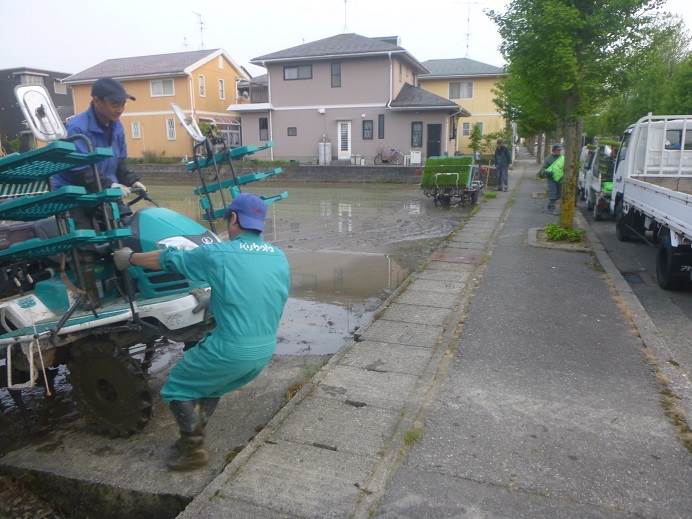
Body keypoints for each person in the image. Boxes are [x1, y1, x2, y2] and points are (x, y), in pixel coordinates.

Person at [113, 193, 290, 471]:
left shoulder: (218, 252)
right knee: (211, 384)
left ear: (233, 219)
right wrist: (214, 300)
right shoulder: (278, 257)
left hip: (232, 349)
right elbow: (260, 296)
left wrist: (131, 257)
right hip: (264, 350)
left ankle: (193, 447)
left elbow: (168, 259)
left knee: (176, 388)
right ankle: (194, 434)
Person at [52, 77, 146, 196]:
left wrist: (132, 181)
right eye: (115, 104)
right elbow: (80, 171)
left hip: (103, 190)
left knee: (125, 214)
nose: (120, 110)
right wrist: (109, 185)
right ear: (97, 101)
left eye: (123, 104)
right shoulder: (77, 128)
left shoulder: (117, 127)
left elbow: (119, 163)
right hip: (74, 195)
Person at [540, 144, 564, 214]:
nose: (559, 151)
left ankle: (551, 205)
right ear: (554, 150)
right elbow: (543, 168)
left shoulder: (562, 158)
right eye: (558, 150)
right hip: (551, 178)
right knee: (553, 192)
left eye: (560, 150)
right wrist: (546, 172)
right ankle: (551, 208)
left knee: (559, 194)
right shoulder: (549, 158)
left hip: (560, 178)